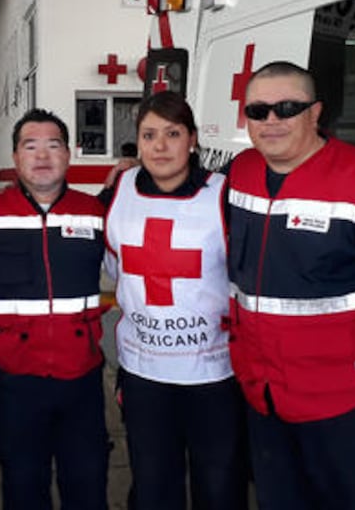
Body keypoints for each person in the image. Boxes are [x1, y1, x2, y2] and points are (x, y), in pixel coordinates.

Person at [225, 60, 355, 510]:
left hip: (345, 397)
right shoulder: (240, 172)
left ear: (315, 113)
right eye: (258, 111)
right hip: (265, 392)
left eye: (287, 107)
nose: (271, 120)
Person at [100, 91, 246, 510]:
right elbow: (113, 261)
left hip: (213, 374)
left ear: (193, 140)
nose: (160, 146)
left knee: (219, 484)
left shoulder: (223, 195)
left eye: (172, 133)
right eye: (149, 135)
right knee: (152, 482)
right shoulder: (120, 190)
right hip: (145, 372)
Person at [0, 108, 110, 510]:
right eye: (30, 146)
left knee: (87, 486)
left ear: (69, 154)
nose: (43, 156)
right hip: (15, 381)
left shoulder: (95, 213)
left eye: (54, 145)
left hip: (81, 379)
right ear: (15, 157)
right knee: (22, 487)